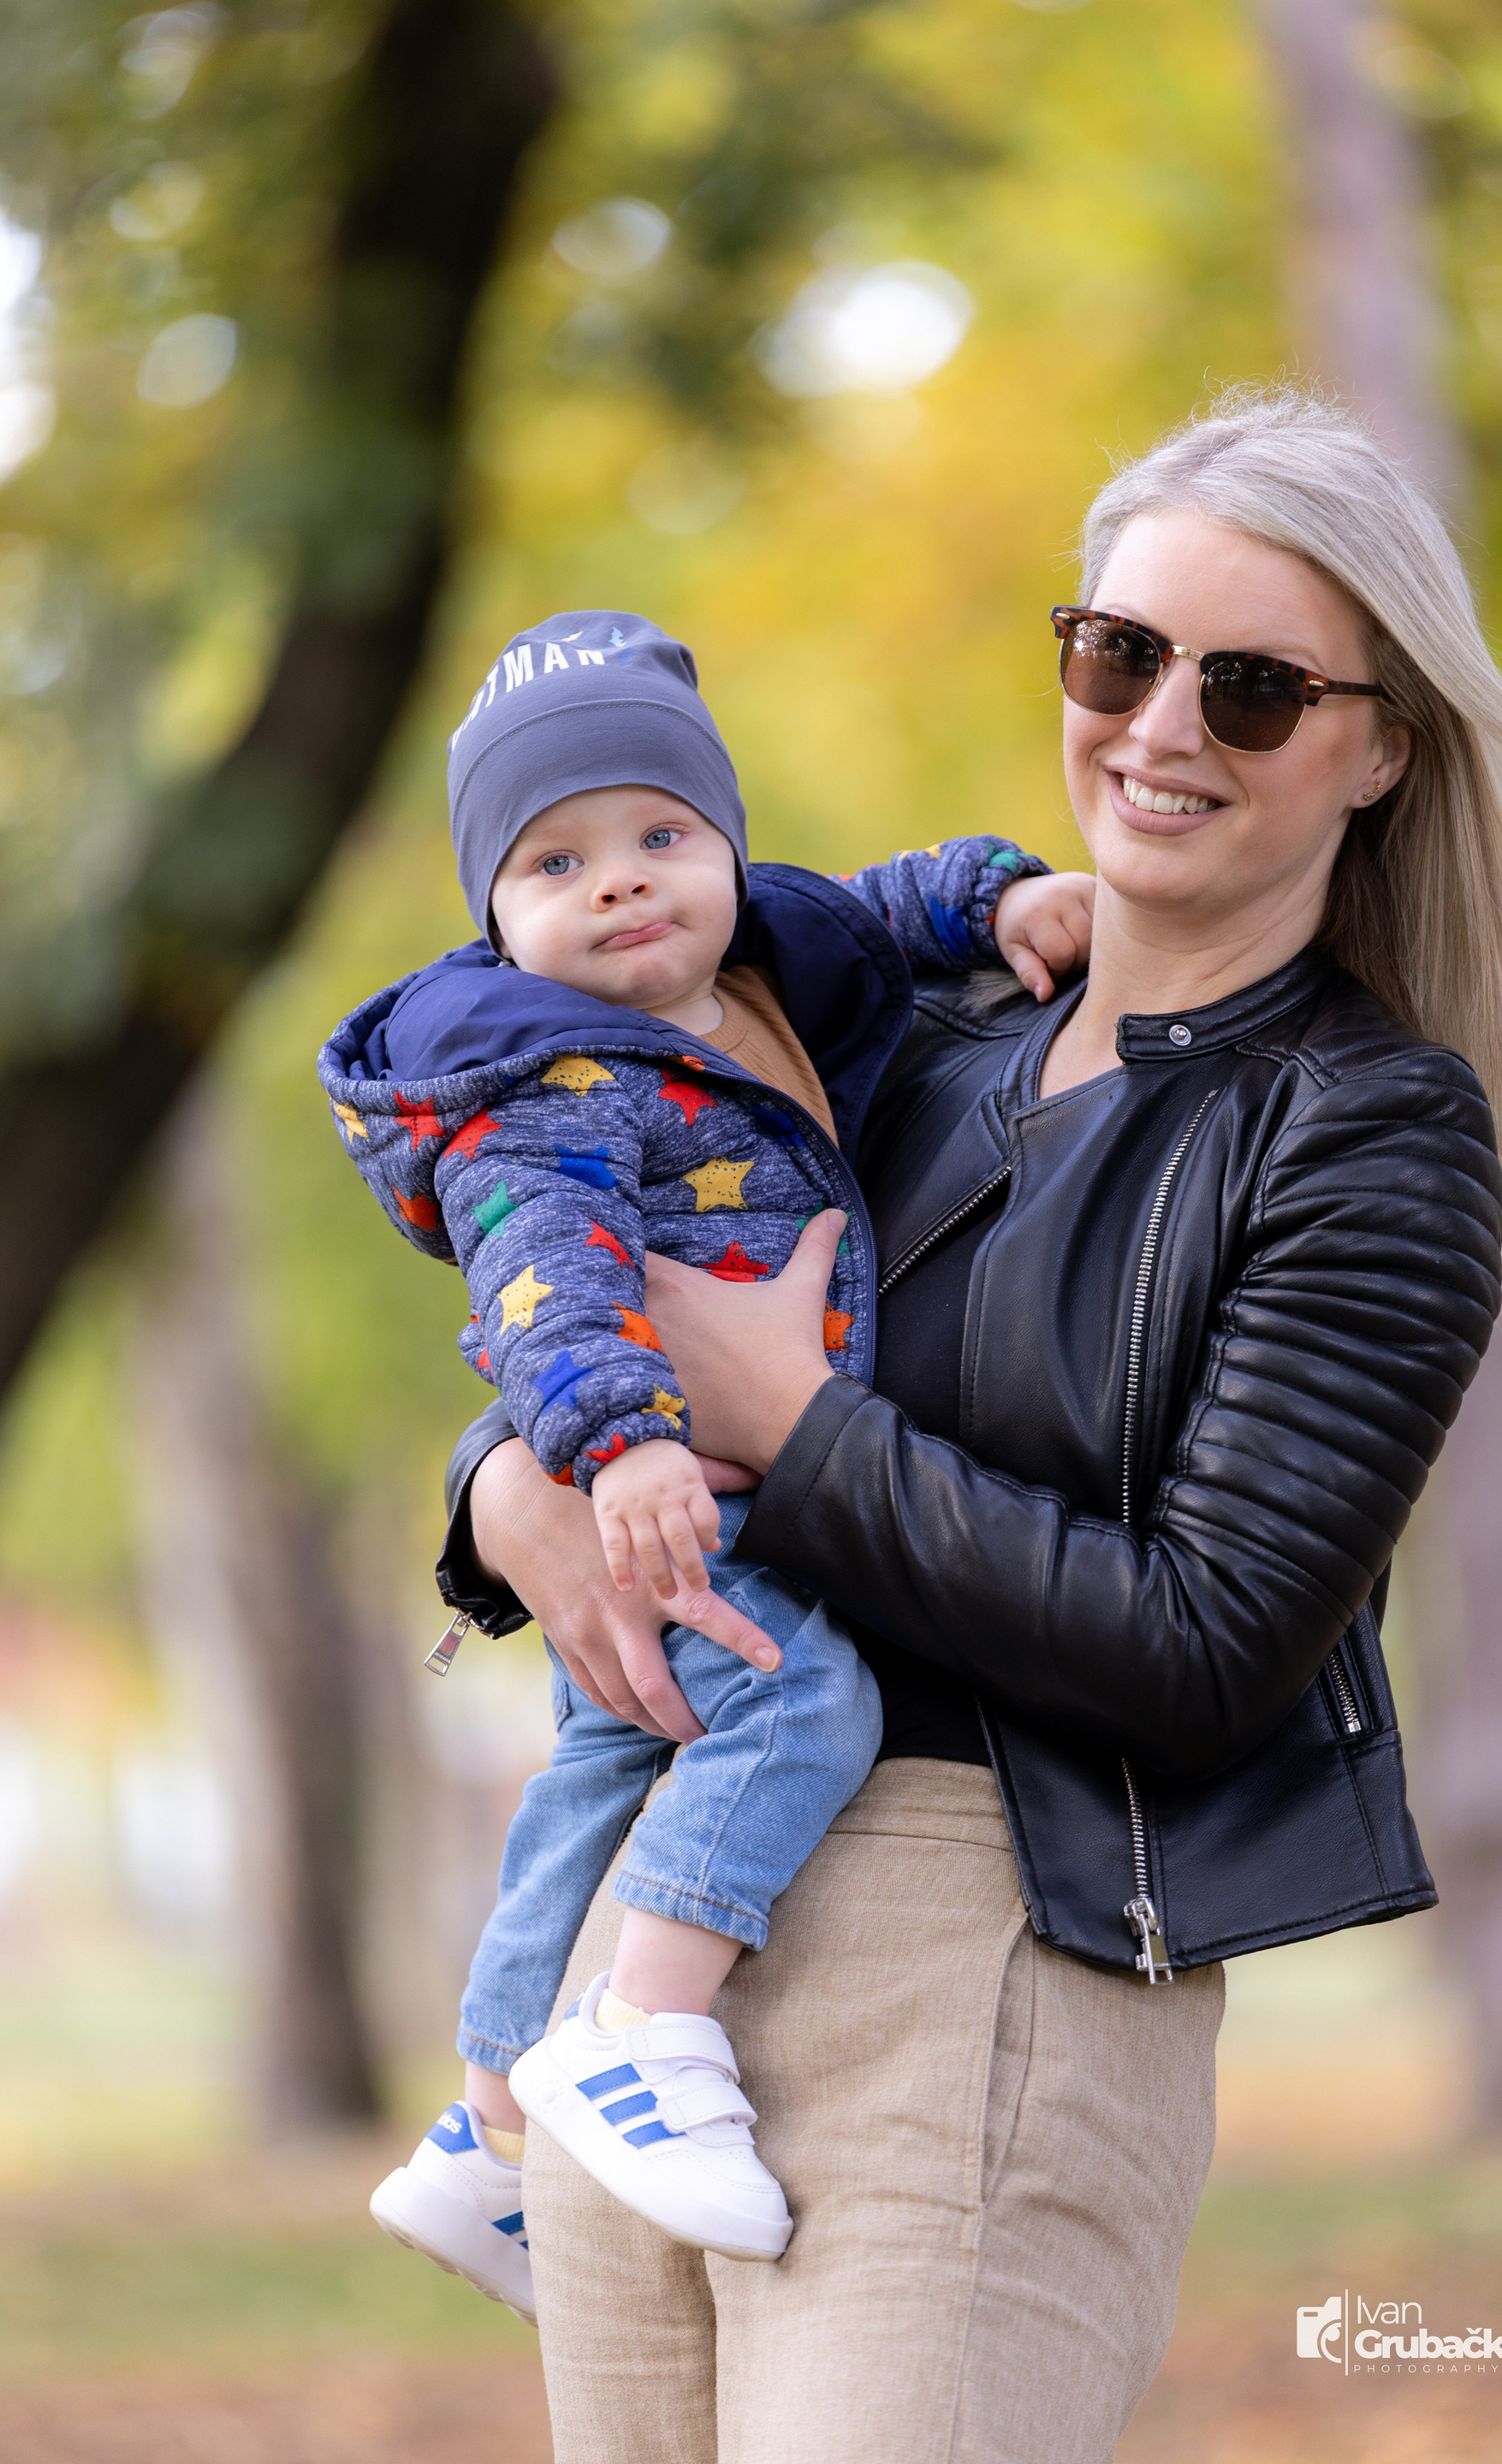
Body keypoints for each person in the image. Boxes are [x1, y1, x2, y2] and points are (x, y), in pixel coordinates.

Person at [436, 389, 1502, 2464]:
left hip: (996, 1962)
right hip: (652, 1983)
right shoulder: (915, 1033)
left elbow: (1212, 1649)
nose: (1161, 727)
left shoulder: (1370, 1133)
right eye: (1119, 654)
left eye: (1251, 686)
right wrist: (504, 1491)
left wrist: (794, 1423)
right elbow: (596, 1242)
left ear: (1382, 747)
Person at [318, 611, 1096, 2311]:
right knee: (804, 1706)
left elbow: (885, 902)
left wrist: (1004, 899)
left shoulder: (765, 971)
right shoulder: (542, 1086)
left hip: (716, 1490)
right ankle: (645, 2033)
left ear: (724, 849)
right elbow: (546, 1280)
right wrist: (619, 1449)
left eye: (662, 834)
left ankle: (486, 2128)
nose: (621, 880)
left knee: (602, 1769)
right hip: (678, 1492)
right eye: (556, 862)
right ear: (498, 919)